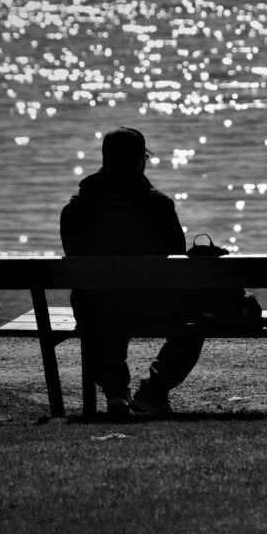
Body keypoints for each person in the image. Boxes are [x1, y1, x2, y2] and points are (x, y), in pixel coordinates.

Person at [60, 127, 203, 419]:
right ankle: (154, 391)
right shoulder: (159, 205)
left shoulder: (76, 210)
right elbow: (178, 260)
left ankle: (116, 394)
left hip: (93, 310)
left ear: (104, 159)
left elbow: (75, 255)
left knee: (101, 301)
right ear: (139, 160)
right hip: (155, 309)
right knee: (199, 319)